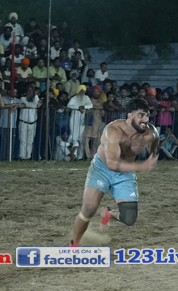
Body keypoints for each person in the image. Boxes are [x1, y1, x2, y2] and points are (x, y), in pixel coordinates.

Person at [68, 98, 159, 246]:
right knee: (89, 208)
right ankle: (74, 245)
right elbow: (112, 163)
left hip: (125, 172)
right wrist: (141, 166)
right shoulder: (114, 130)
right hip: (102, 168)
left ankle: (108, 213)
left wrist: (152, 155)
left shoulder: (150, 133)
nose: (145, 120)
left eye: (147, 116)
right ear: (130, 116)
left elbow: (155, 143)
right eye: (141, 115)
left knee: (129, 218)